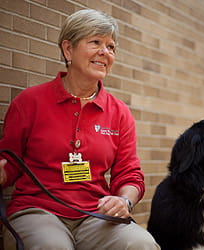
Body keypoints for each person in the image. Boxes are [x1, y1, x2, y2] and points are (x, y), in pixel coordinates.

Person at [0, 9, 160, 250]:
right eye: (95, 42)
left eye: (111, 47)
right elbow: (9, 163)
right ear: (68, 50)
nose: (105, 52)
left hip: (94, 215)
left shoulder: (119, 113)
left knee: (141, 244)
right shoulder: (29, 102)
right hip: (37, 210)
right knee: (52, 247)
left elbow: (129, 174)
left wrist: (124, 201)